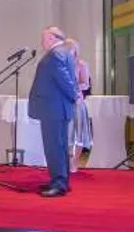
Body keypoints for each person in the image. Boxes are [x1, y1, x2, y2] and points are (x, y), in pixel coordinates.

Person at [28, 27, 80, 197]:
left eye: (44, 38)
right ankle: (61, 181)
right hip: (57, 108)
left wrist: (74, 96)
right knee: (60, 146)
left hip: (53, 109)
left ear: (52, 38)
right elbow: (69, 79)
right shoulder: (64, 53)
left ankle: (59, 184)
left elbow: (65, 81)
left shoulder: (55, 55)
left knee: (54, 147)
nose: (41, 42)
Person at [64, 39, 93, 174]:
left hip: (77, 103)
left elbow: (86, 84)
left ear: (75, 50)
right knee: (66, 134)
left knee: (78, 135)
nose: (67, 51)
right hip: (63, 104)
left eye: (70, 48)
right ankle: (67, 162)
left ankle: (75, 163)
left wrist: (73, 86)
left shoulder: (81, 65)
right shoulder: (61, 65)